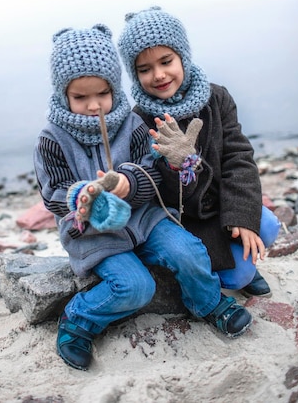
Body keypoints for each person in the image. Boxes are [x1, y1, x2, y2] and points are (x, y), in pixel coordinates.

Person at [33, 23, 253, 372]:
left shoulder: (131, 123)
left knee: (188, 250)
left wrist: (129, 183)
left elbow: (153, 170)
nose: (94, 106)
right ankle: (79, 319)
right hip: (95, 233)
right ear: (64, 95)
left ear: (115, 87)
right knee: (135, 287)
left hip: (144, 219)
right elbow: (52, 194)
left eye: (102, 93)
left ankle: (208, 302)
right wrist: (82, 196)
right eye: (80, 97)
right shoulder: (52, 139)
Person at [117, 6, 281, 298]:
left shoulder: (216, 97)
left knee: (266, 224)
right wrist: (177, 165)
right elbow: (154, 190)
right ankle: (232, 271)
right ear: (134, 73)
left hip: (222, 206)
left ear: (183, 56)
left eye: (166, 61)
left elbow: (238, 158)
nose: (159, 75)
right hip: (185, 220)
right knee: (237, 277)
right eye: (145, 69)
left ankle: (242, 258)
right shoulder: (139, 120)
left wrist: (242, 217)